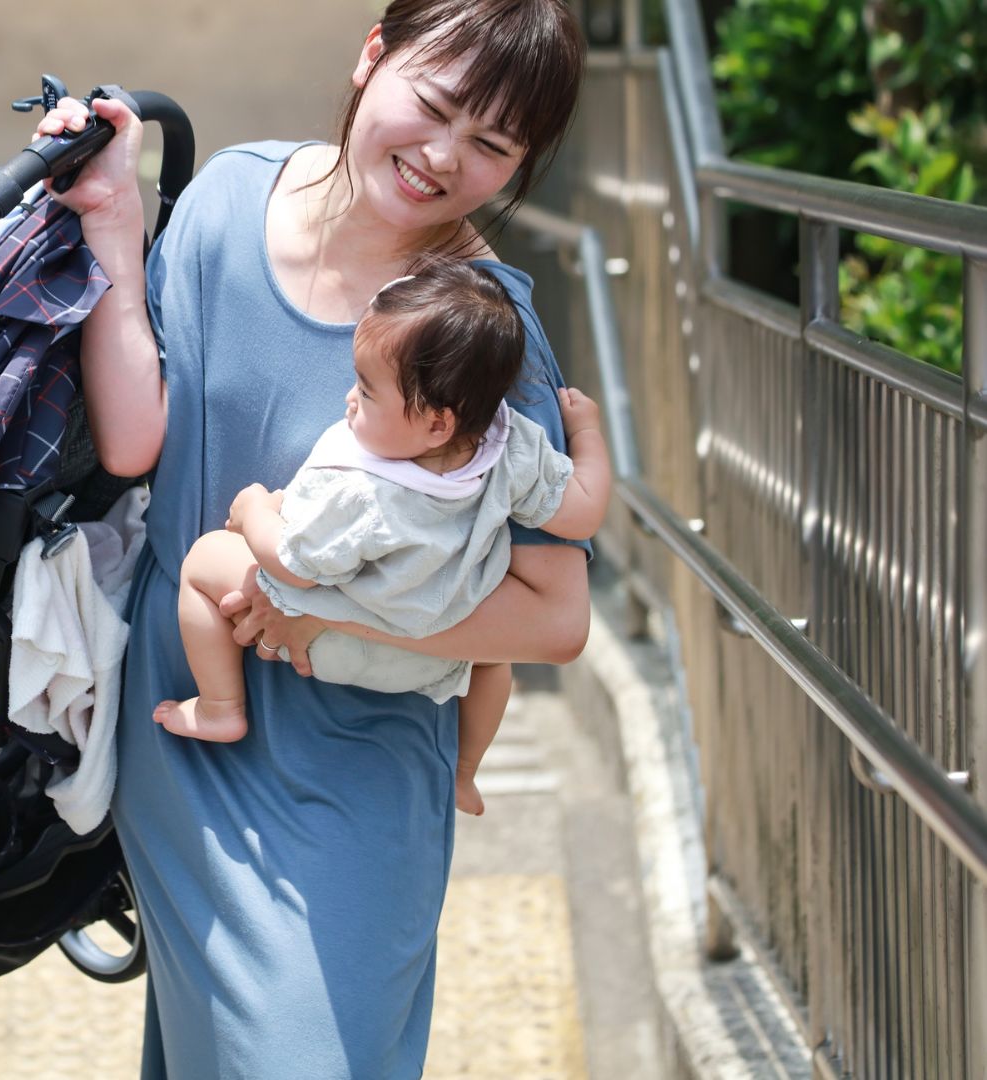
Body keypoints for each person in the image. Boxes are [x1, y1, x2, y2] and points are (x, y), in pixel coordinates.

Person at [34, 0, 589, 1073]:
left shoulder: (484, 336)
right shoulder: (233, 196)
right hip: (189, 722)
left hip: (361, 751)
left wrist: (322, 600)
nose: (441, 158)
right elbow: (140, 436)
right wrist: (111, 225)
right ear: (372, 54)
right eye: (433, 108)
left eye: (491, 146)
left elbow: (556, 618)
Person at [153, 259, 612, 821]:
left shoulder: (365, 491)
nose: (350, 399)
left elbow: (295, 566)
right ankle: (466, 771)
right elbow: (583, 510)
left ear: (437, 424)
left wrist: (253, 512)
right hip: (447, 654)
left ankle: (222, 706)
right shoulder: (510, 448)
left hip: (339, 644)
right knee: (496, 666)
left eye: (367, 392)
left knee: (203, 562)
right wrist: (586, 432)